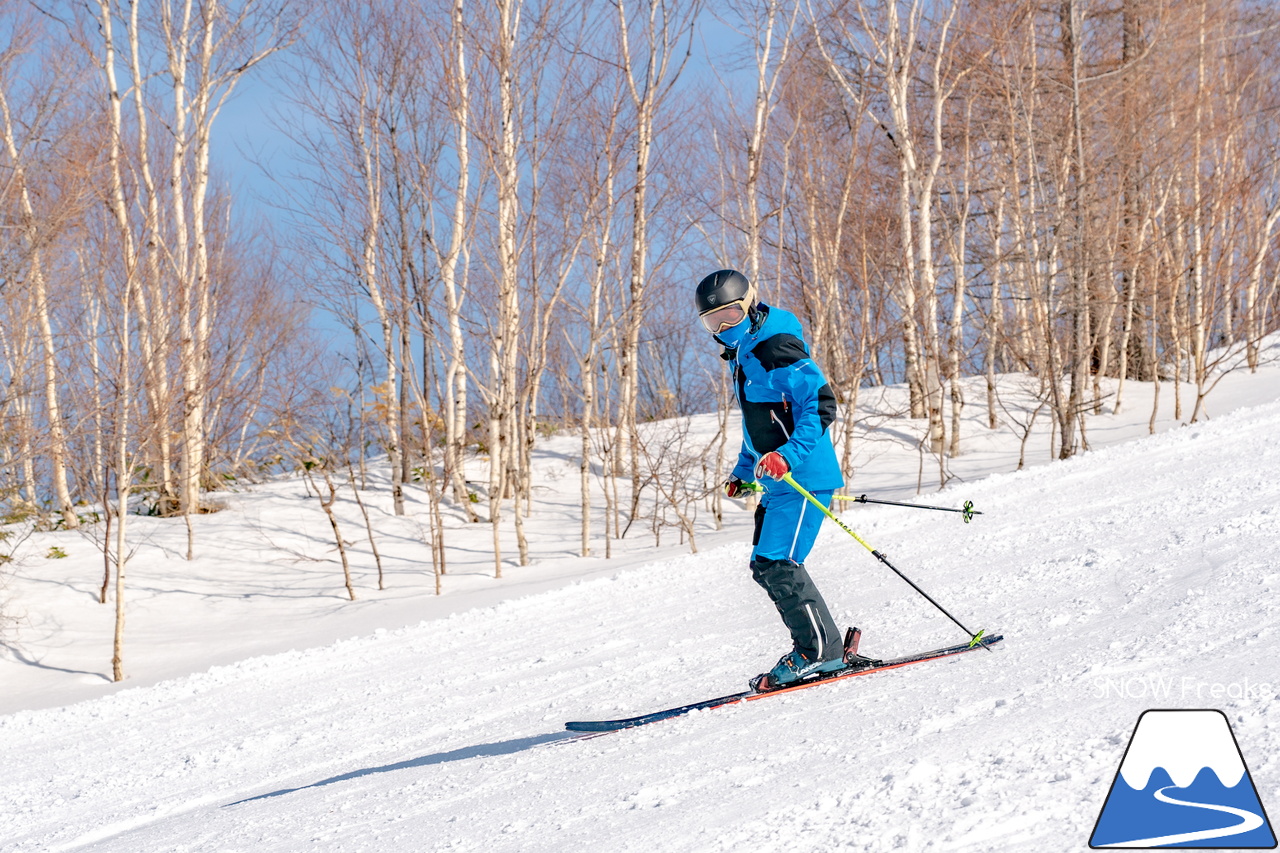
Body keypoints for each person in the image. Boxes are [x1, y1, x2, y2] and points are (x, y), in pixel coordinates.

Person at [696, 268, 849, 690]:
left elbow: (820, 403)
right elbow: (761, 427)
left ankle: (818, 652)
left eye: (729, 315)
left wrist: (787, 456)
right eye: (713, 321)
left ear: (748, 305)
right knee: (765, 567)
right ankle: (822, 648)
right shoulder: (745, 355)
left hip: (804, 477)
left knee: (779, 565)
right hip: (778, 483)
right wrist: (744, 471)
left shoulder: (774, 347)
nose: (723, 327)